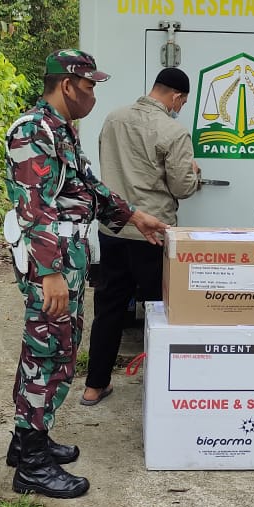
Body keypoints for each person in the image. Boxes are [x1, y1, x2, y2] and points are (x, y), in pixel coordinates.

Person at [4, 49, 166, 498]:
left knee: (57, 347)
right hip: (50, 260)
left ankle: (27, 441)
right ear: (67, 84)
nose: (94, 94)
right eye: (90, 85)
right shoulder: (32, 131)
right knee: (48, 352)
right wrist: (49, 272)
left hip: (69, 253)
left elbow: (89, 188)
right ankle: (32, 465)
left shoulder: (61, 131)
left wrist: (136, 217)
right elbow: (33, 208)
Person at [82, 66, 202, 405]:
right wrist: (193, 173)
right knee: (160, 313)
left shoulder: (113, 119)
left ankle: (94, 385)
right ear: (177, 97)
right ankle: (162, 388)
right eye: (182, 102)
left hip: (113, 229)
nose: (180, 107)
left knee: (109, 309)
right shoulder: (174, 131)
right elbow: (181, 186)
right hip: (153, 235)